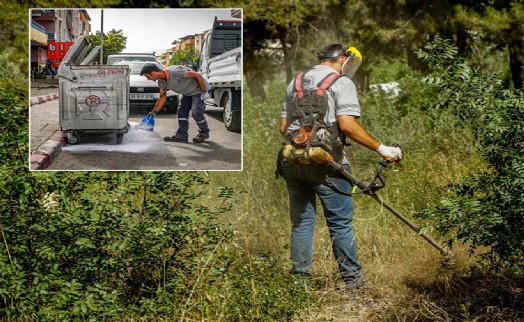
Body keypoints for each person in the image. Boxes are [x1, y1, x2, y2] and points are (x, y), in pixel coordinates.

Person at [278, 44, 402, 290]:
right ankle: (354, 285)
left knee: (302, 223)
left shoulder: (296, 82)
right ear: (343, 60)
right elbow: (347, 125)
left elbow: (284, 128)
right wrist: (383, 149)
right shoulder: (341, 82)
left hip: (292, 160)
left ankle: (300, 284)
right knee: (340, 223)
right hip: (327, 162)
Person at [140, 63, 210, 143]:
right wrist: (154, 112)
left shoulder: (174, 71)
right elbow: (162, 97)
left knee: (196, 112)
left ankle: (204, 132)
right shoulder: (161, 82)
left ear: (153, 73)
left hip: (198, 90)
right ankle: (182, 135)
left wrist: (203, 91)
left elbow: (197, 76)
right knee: (181, 113)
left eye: (148, 77)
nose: (148, 79)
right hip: (187, 93)